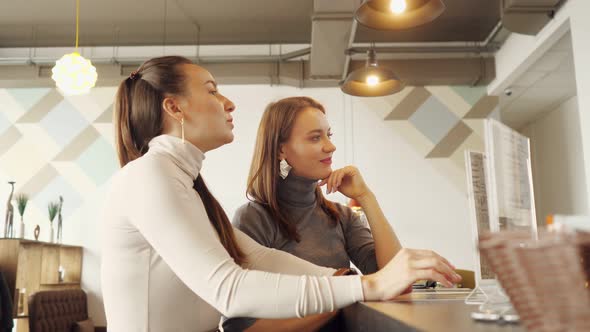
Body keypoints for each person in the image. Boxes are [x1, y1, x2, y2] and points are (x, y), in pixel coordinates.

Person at [100, 56, 461, 332]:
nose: (229, 103)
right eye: (211, 90)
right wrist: (368, 286)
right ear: (174, 108)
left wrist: (352, 280)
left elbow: (256, 256)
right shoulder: (151, 175)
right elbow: (229, 289)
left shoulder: (182, 181)